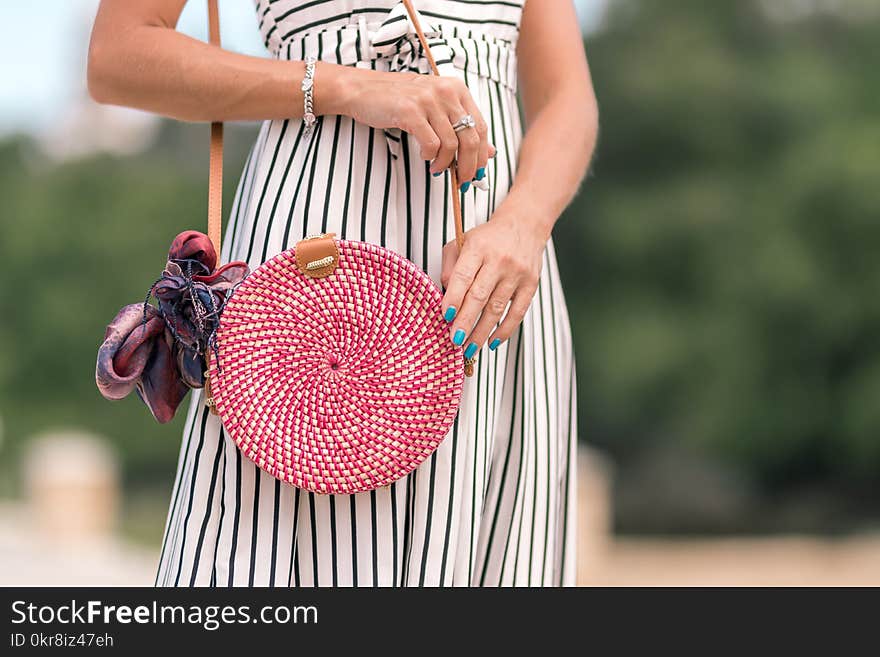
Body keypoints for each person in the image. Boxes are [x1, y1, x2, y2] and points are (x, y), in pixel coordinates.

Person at [88, 0, 599, 586]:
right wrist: (345, 83)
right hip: (315, 259)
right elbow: (117, 55)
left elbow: (567, 96)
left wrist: (525, 224)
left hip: (497, 268)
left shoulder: (516, 240)